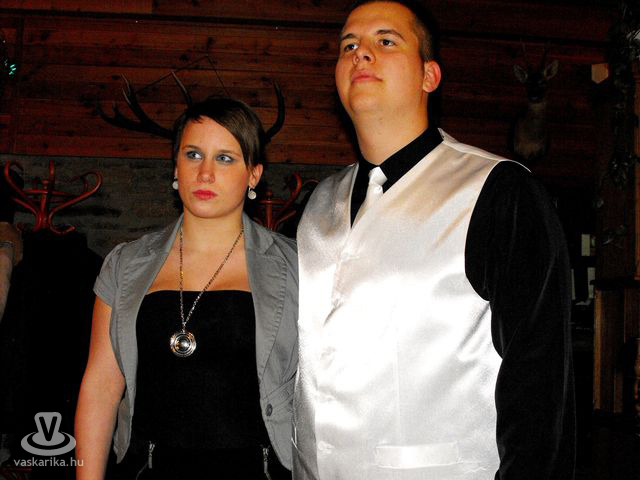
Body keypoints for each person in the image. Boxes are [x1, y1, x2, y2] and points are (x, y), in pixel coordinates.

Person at [293, 1, 575, 479]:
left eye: (385, 41)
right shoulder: (319, 204)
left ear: (429, 75)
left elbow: (540, 381)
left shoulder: (499, 191)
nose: (361, 53)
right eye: (348, 45)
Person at [75, 97, 298, 479]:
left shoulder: (296, 266)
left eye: (225, 158)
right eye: (193, 155)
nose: (205, 173)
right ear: (176, 167)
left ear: (253, 174)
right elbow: (101, 388)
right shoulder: (125, 264)